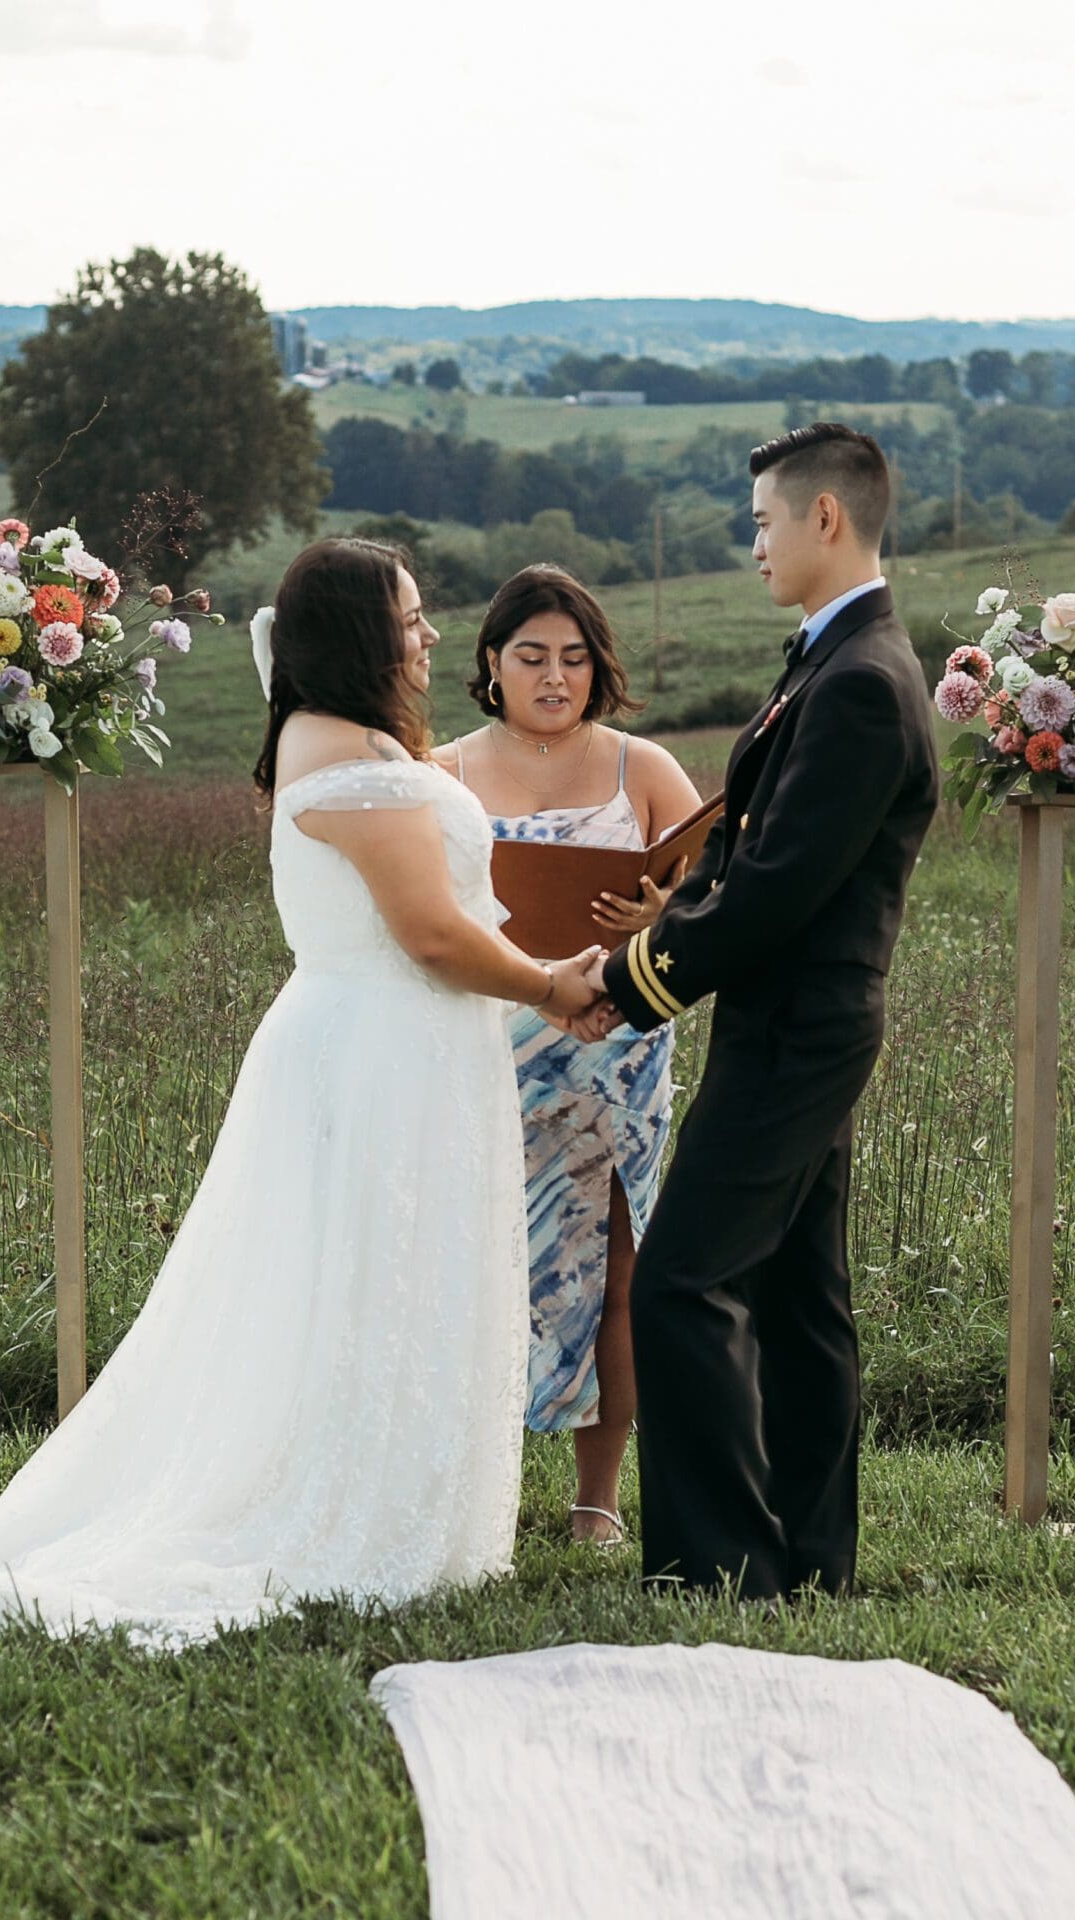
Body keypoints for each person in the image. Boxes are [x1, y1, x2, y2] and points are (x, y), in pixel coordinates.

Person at [0, 538, 603, 1646]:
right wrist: (548, 985)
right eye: (409, 617)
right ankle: (348, 1514)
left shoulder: (346, 738)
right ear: (360, 631)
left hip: (410, 1049)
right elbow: (430, 929)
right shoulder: (337, 748)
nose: (429, 635)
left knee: (385, 1279)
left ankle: (397, 1496)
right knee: (356, 1281)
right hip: (377, 1053)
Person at [572, 425, 939, 1604]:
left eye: (763, 525)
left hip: (802, 1026)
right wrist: (674, 901)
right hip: (796, 1020)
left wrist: (631, 980)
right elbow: (756, 848)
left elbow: (780, 891)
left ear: (826, 518)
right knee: (796, 1291)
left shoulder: (866, 682)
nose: (756, 548)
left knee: (682, 1279)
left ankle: (722, 1563)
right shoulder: (834, 662)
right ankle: (810, 1555)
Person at [435, 567, 701, 1545]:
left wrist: (666, 912)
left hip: (619, 1057)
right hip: (490, 1054)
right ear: (491, 665)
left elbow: (723, 894)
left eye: (575, 658)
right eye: (532, 656)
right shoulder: (444, 774)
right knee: (479, 1268)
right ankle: (477, 1489)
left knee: (620, 1271)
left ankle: (598, 1498)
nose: (555, 677)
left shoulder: (645, 770)